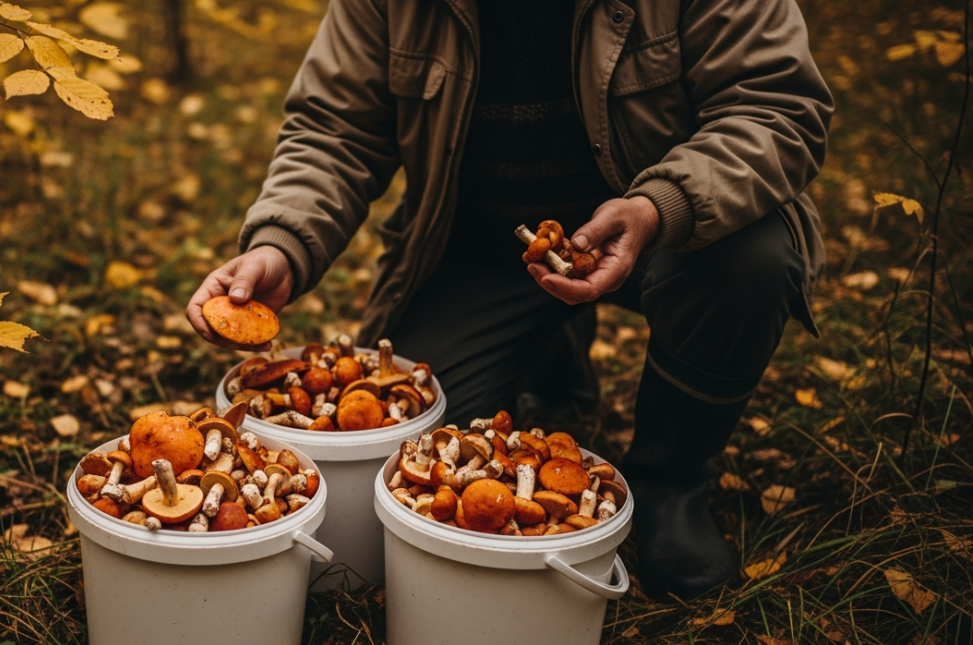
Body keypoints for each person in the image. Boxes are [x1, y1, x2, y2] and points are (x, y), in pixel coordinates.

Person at [186, 0, 832, 598]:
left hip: (666, 229)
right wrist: (282, 242)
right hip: (480, 251)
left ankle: (674, 478)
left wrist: (658, 207)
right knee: (422, 454)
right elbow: (335, 127)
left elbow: (776, 106)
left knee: (754, 259)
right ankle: (552, 348)